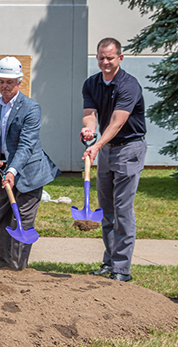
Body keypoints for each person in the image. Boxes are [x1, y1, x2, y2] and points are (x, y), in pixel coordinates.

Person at [0, 57, 60, 271]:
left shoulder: (31, 108)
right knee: (1, 220)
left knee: (22, 221)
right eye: (1, 82)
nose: (5, 86)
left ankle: (18, 270)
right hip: (3, 171)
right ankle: (1, 265)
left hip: (29, 172)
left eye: (9, 82)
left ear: (19, 82)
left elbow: (26, 145)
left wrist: (13, 171)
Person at [81, 38, 147, 282]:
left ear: (120, 58)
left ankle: (122, 268)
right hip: (107, 150)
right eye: (101, 57)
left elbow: (118, 122)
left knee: (122, 209)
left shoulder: (129, 85)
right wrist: (89, 130)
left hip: (129, 148)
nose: (105, 62)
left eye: (110, 57)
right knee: (106, 208)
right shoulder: (91, 84)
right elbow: (90, 116)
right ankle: (109, 262)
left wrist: (97, 144)